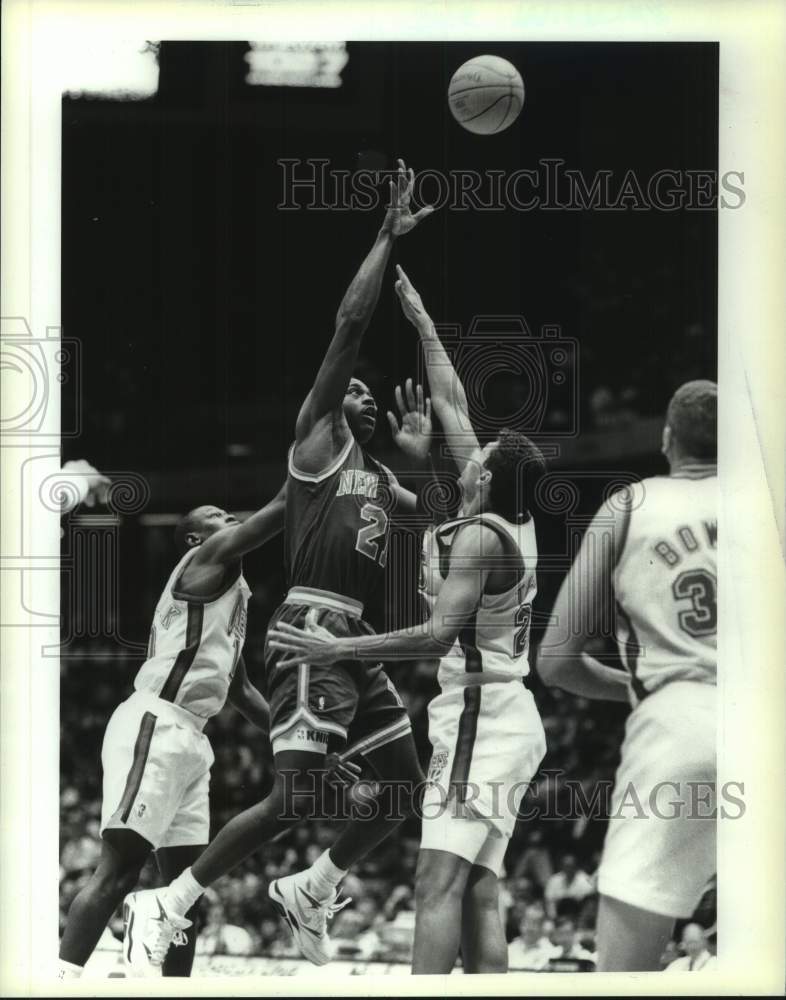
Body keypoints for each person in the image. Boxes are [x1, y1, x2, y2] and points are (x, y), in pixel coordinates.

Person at [122, 158, 435, 973]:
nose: (363, 393)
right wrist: (382, 237)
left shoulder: (382, 475)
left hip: (354, 638)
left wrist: (424, 458)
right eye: (355, 391)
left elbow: (439, 519)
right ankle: (172, 897)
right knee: (295, 797)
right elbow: (348, 327)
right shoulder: (317, 445)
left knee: (403, 786)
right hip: (308, 627)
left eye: (369, 393)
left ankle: (313, 885)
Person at [269, 266, 548, 974]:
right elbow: (450, 399)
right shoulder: (496, 516)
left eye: (478, 453)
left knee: (435, 884)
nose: (470, 447)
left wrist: (338, 645)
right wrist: (424, 324)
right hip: (503, 712)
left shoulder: (484, 535)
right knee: (480, 890)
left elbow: (434, 636)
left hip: (483, 711)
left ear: (485, 475)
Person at [58, 493, 289, 979]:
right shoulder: (202, 559)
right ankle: (59, 981)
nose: (229, 515)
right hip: (156, 723)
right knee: (119, 873)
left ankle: (175, 989)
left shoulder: (232, 595)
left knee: (186, 894)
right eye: (216, 515)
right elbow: (280, 508)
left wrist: (296, 744)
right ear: (194, 538)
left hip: (191, 739)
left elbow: (243, 691)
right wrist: (330, 427)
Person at [537, 380, 717, 971]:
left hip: (676, 724)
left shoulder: (631, 505)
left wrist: (631, 690)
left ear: (666, 440)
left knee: (623, 975)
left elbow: (556, 659)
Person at [542, 853, 595, 919]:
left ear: (576, 866)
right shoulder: (554, 880)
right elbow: (549, 901)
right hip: (558, 915)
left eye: (571, 866)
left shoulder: (586, 880)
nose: (569, 869)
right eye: (566, 866)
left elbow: (589, 903)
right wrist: (553, 919)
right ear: (562, 866)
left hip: (579, 915)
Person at [507, 904, 556, 971]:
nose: (530, 928)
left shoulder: (551, 952)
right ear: (521, 924)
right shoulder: (509, 949)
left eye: (535, 923)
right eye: (527, 922)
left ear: (542, 927)